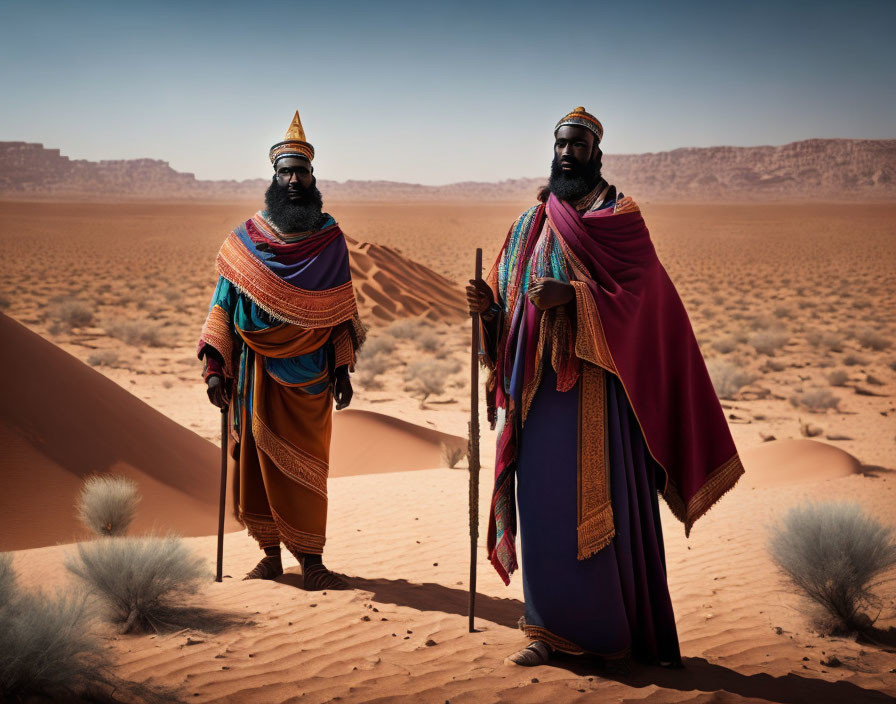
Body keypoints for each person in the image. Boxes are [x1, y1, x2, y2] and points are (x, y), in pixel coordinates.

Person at [466, 107, 744, 667]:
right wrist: (488, 311)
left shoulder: (620, 218)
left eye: (578, 145)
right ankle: (545, 632)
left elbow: (643, 301)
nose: (568, 154)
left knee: (606, 511)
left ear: (597, 151)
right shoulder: (530, 224)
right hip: (539, 394)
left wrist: (574, 298)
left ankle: (616, 634)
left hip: (601, 396)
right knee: (542, 509)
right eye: (561, 145)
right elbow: (507, 300)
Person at [199, 111, 364, 589]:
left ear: (314, 178)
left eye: (302, 172)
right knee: (254, 465)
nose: (294, 180)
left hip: (310, 376)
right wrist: (215, 368)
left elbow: (338, 309)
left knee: (309, 472)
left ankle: (312, 562)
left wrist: (342, 369)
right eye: (286, 172)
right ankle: (270, 556)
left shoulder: (329, 240)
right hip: (253, 372)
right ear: (273, 178)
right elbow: (223, 307)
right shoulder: (245, 242)